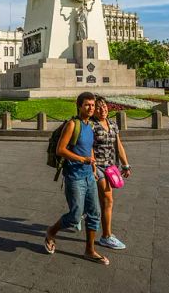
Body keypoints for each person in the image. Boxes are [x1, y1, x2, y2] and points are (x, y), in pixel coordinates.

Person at [44, 92, 109, 265]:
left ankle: (90, 250)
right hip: (74, 177)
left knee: (94, 213)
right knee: (74, 216)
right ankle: (51, 231)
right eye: (87, 105)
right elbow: (60, 150)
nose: (91, 108)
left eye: (93, 105)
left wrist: (92, 164)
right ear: (79, 106)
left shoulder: (89, 126)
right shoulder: (73, 125)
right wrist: (82, 159)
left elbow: (89, 147)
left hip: (89, 175)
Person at [91, 97, 132, 250]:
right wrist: (93, 167)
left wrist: (126, 164)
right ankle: (106, 236)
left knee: (103, 200)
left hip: (110, 167)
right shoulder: (91, 126)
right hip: (97, 167)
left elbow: (118, 145)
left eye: (104, 107)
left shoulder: (113, 124)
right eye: (98, 108)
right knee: (108, 199)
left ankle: (83, 210)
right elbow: (88, 147)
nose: (103, 110)